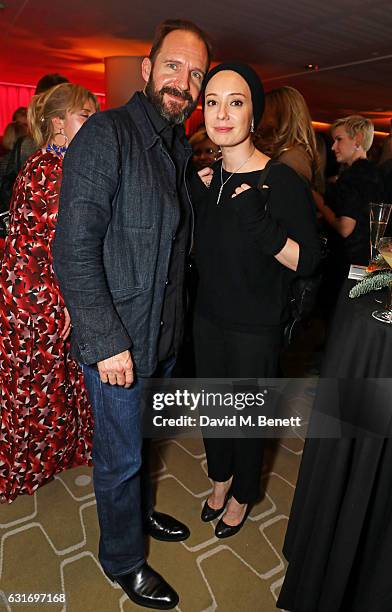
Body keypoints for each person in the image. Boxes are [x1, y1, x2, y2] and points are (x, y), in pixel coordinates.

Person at [53, 19, 211, 610]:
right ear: (146, 70)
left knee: (143, 442)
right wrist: (105, 341)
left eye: (195, 73)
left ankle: (140, 514)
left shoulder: (174, 148)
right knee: (119, 460)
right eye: (173, 65)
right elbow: (72, 249)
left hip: (161, 336)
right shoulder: (106, 135)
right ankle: (122, 559)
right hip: (118, 343)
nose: (184, 81)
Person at [192, 63, 320, 537]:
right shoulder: (211, 179)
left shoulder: (279, 180)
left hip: (254, 327)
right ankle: (220, 478)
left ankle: (243, 493)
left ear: (253, 114)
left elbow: (307, 261)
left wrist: (260, 225)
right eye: (212, 101)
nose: (222, 113)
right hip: (208, 320)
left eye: (236, 101)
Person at [0, 83, 98, 504]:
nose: (94, 123)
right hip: (35, 295)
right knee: (35, 386)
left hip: (41, 289)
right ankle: (26, 467)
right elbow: (63, 245)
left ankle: (54, 456)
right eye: (85, 116)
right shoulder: (49, 169)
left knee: (53, 382)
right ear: (58, 124)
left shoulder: (60, 163)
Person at [315, 116, 385, 312]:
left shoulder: (353, 176)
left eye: (339, 139)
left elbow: (345, 228)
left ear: (358, 139)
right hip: (373, 263)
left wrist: (320, 204)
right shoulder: (377, 174)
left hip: (348, 263)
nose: (333, 147)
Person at [255, 86, 319, 188]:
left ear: (281, 116)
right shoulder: (285, 153)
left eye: (264, 113)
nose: (259, 119)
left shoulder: (292, 157)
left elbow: (289, 199)